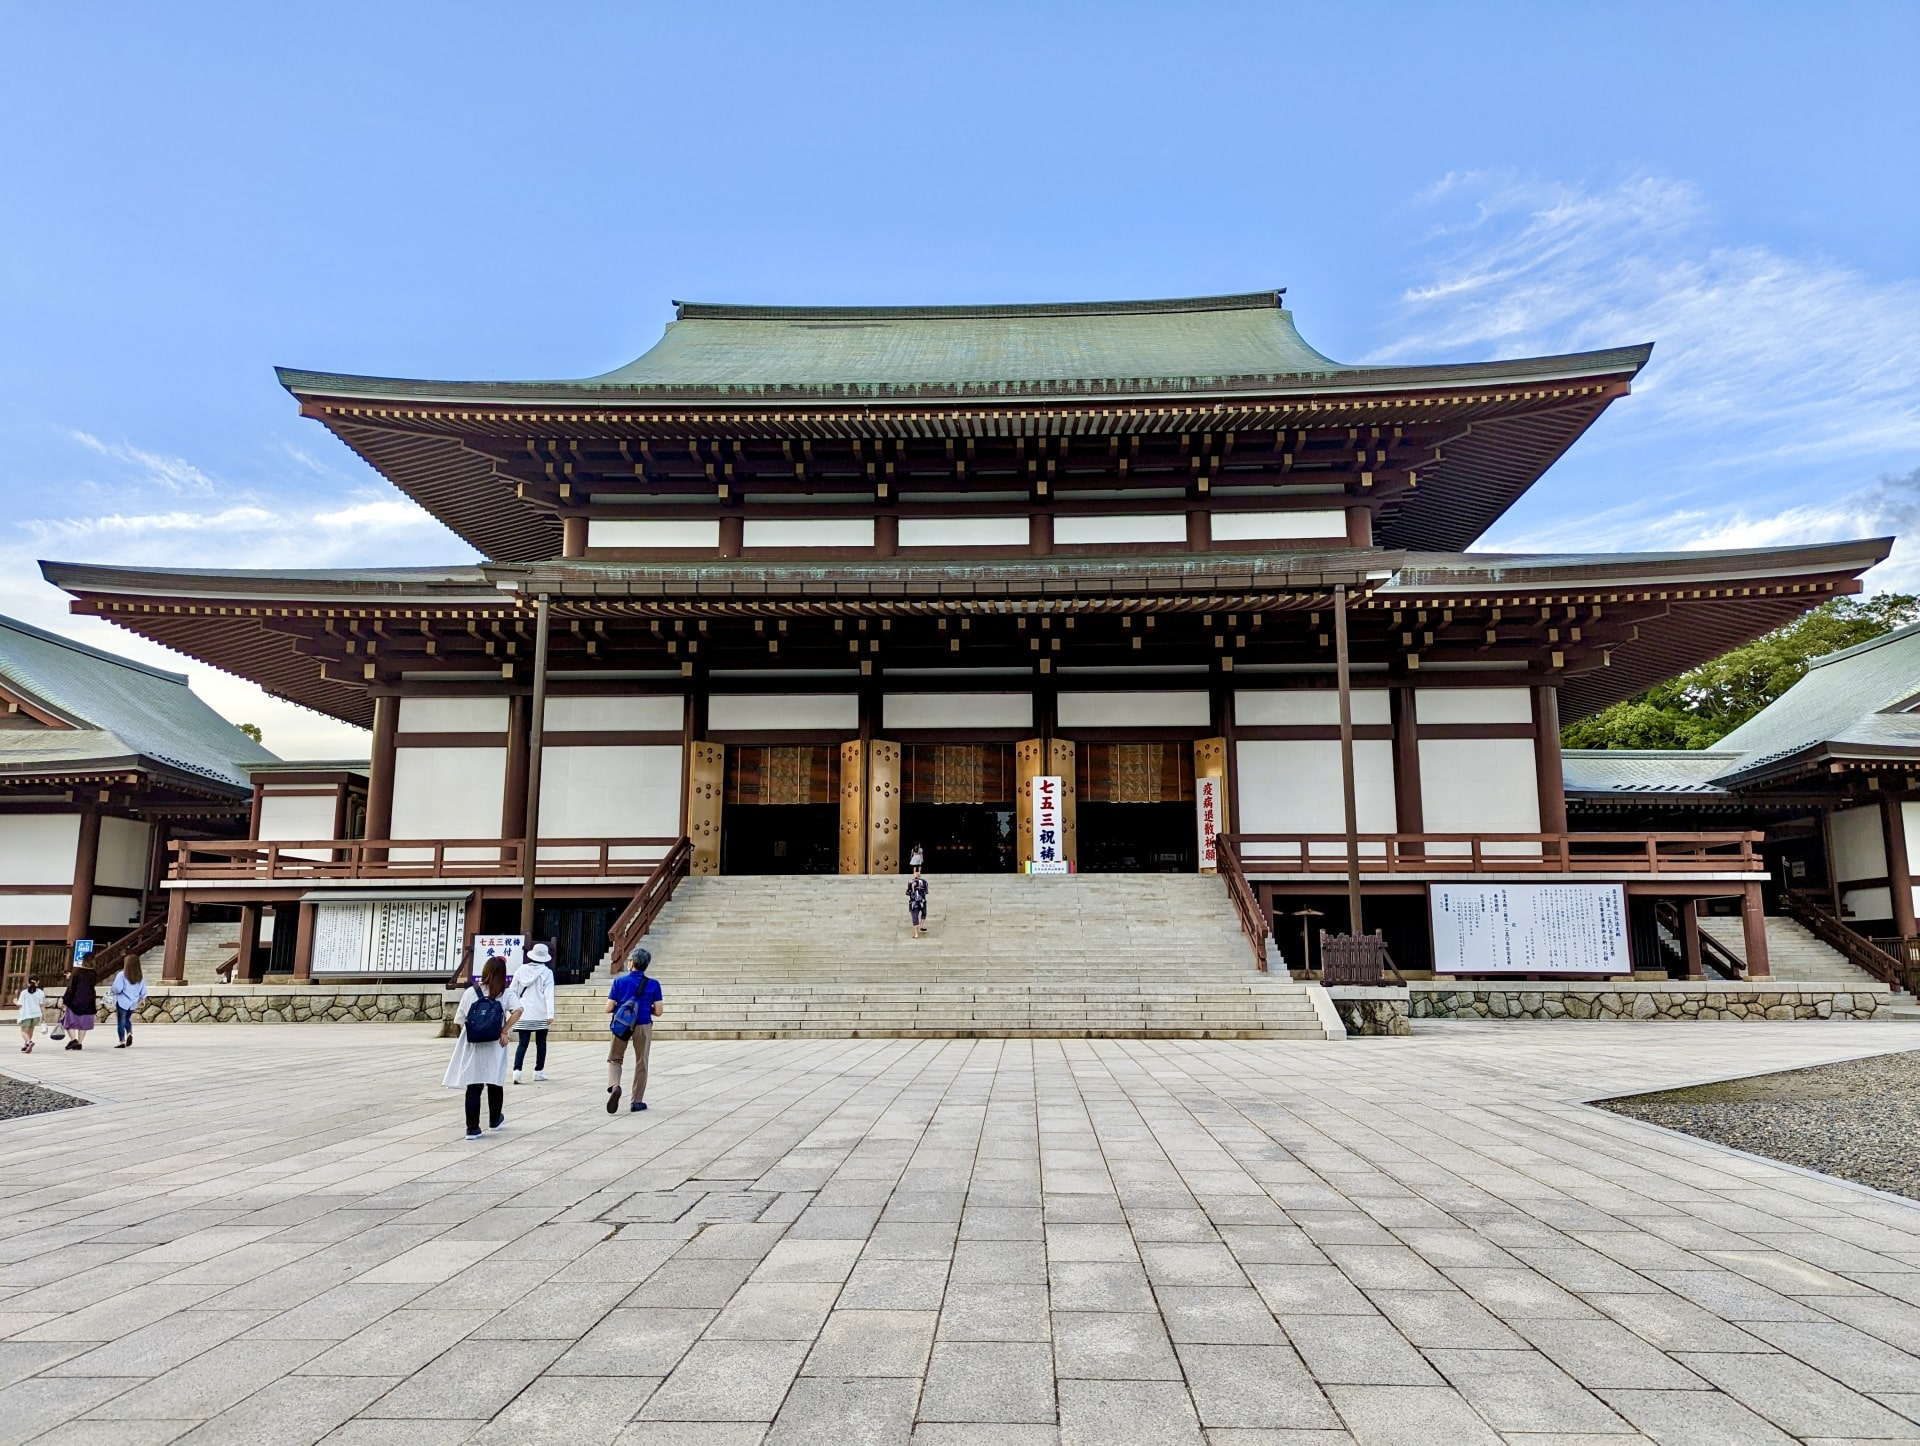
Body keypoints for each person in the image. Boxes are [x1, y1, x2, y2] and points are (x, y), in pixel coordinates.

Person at [443, 956, 522, 1140]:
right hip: (495, 1043)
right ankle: (495, 1119)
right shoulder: (505, 993)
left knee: (474, 1085)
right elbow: (518, 1010)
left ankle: (472, 1128)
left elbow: (460, 1019)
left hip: (473, 1045)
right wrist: (504, 1030)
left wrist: (475, 1030)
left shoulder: (471, 992)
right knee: (495, 1081)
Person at [605, 946, 663, 1114]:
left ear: (632, 963)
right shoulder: (653, 984)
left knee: (615, 1059)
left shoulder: (619, 982)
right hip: (643, 1024)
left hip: (622, 1024)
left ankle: (615, 1085)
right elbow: (659, 1011)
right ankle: (637, 1101)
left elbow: (608, 1008)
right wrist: (644, 1008)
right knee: (641, 1061)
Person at [510, 942, 555, 1084]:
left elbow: (512, 990)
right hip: (540, 1012)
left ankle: (517, 1071)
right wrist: (550, 1013)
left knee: (523, 1043)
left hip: (523, 1012)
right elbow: (549, 994)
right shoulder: (547, 973)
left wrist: (513, 1008)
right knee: (541, 1043)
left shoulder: (521, 970)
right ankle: (538, 1071)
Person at [58, 963, 98, 1051]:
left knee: (69, 1022)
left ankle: (73, 1040)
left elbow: (71, 987)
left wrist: (65, 999)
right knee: (83, 1024)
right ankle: (79, 1043)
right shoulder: (93, 973)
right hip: (88, 1000)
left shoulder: (76, 971)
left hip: (74, 1000)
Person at [110, 959, 148, 1049]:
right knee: (127, 1019)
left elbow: (117, 988)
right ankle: (129, 1033)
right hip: (133, 1002)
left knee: (121, 1021)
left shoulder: (121, 975)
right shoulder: (140, 977)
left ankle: (122, 1041)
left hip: (122, 1001)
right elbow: (143, 991)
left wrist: (113, 991)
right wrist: (143, 999)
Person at [17, 978, 44, 1053]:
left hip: (26, 1014)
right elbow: (42, 1005)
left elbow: (20, 1004)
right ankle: (26, 1045)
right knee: (31, 1030)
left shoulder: (24, 993)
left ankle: (29, 1042)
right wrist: (43, 1016)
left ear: (28, 983)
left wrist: (15, 1001)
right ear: (37, 982)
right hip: (36, 1014)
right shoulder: (40, 992)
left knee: (24, 1031)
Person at [906, 867, 929, 938]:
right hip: (922, 902)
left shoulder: (911, 882)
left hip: (914, 903)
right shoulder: (925, 882)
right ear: (919, 875)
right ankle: (921, 926)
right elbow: (927, 892)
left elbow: (907, 893)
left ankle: (916, 934)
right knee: (924, 914)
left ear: (914, 875)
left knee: (915, 917)